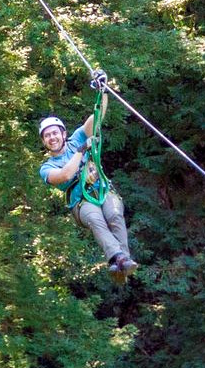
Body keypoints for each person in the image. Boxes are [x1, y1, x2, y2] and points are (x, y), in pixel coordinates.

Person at [38, 105, 138, 280]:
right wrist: (81, 151)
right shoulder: (47, 167)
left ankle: (120, 262)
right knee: (95, 218)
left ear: (63, 134)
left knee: (114, 215)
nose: (52, 137)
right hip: (81, 202)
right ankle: (120, 258)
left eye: (55, 133)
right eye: (47, 136)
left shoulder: (77, 137)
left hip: (102, 190)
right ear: (44, 142)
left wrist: (102, 91)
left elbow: (97, 117)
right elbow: (65, 174)